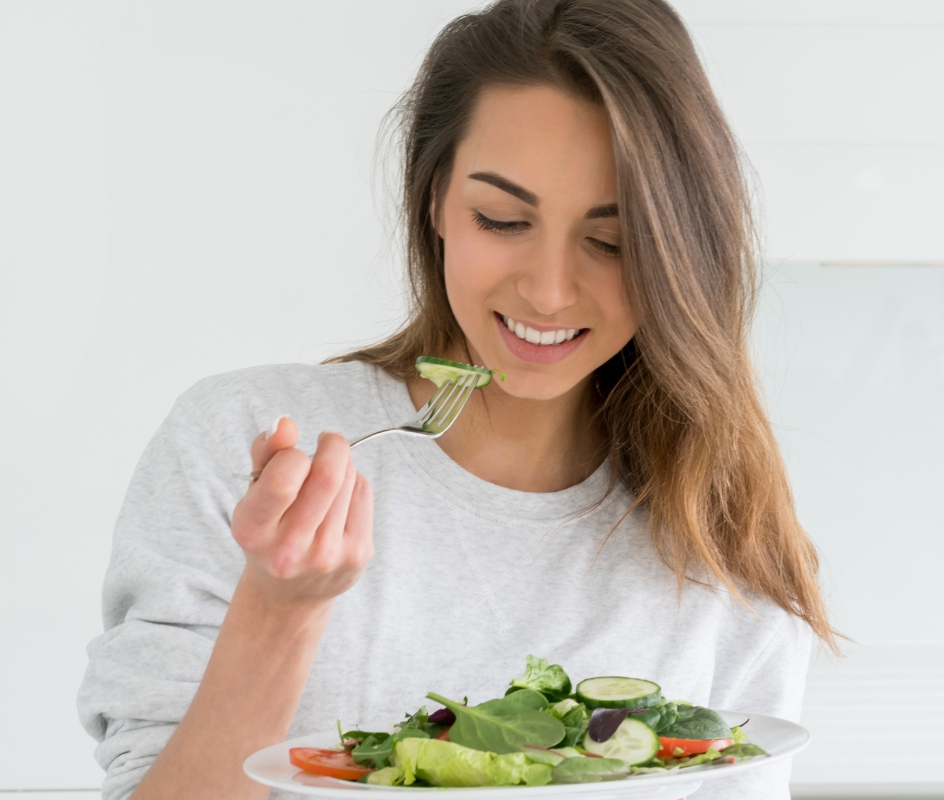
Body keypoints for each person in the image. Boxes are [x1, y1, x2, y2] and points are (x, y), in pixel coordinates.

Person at [78, 0, 838, 797]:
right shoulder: (237, 443)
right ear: (437, 198)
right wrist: (279, 610)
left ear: (679, 248)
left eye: (611, 241)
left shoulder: (718, 535)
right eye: (502, 219)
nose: (548, 291)